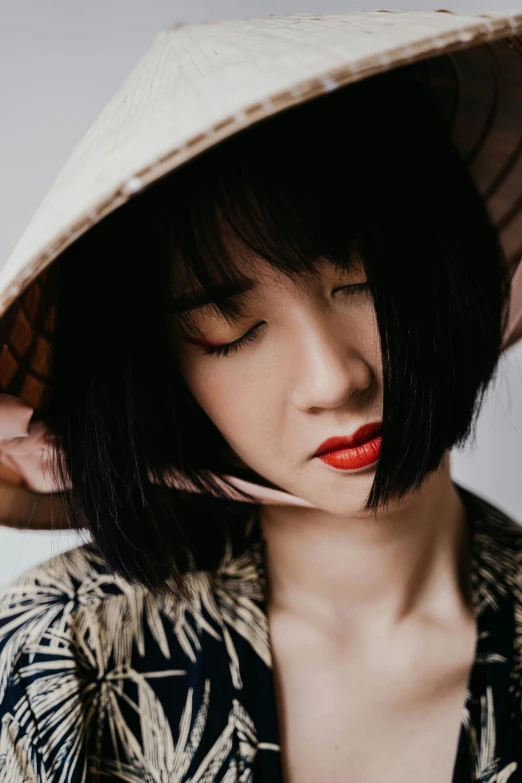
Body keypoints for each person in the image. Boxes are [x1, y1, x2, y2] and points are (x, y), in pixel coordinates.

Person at [0, 10, 522, 783]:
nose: (333, 379)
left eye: (363, 280)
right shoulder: (63, 650)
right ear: (165, 373)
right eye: (230, 328)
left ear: (446, 264)